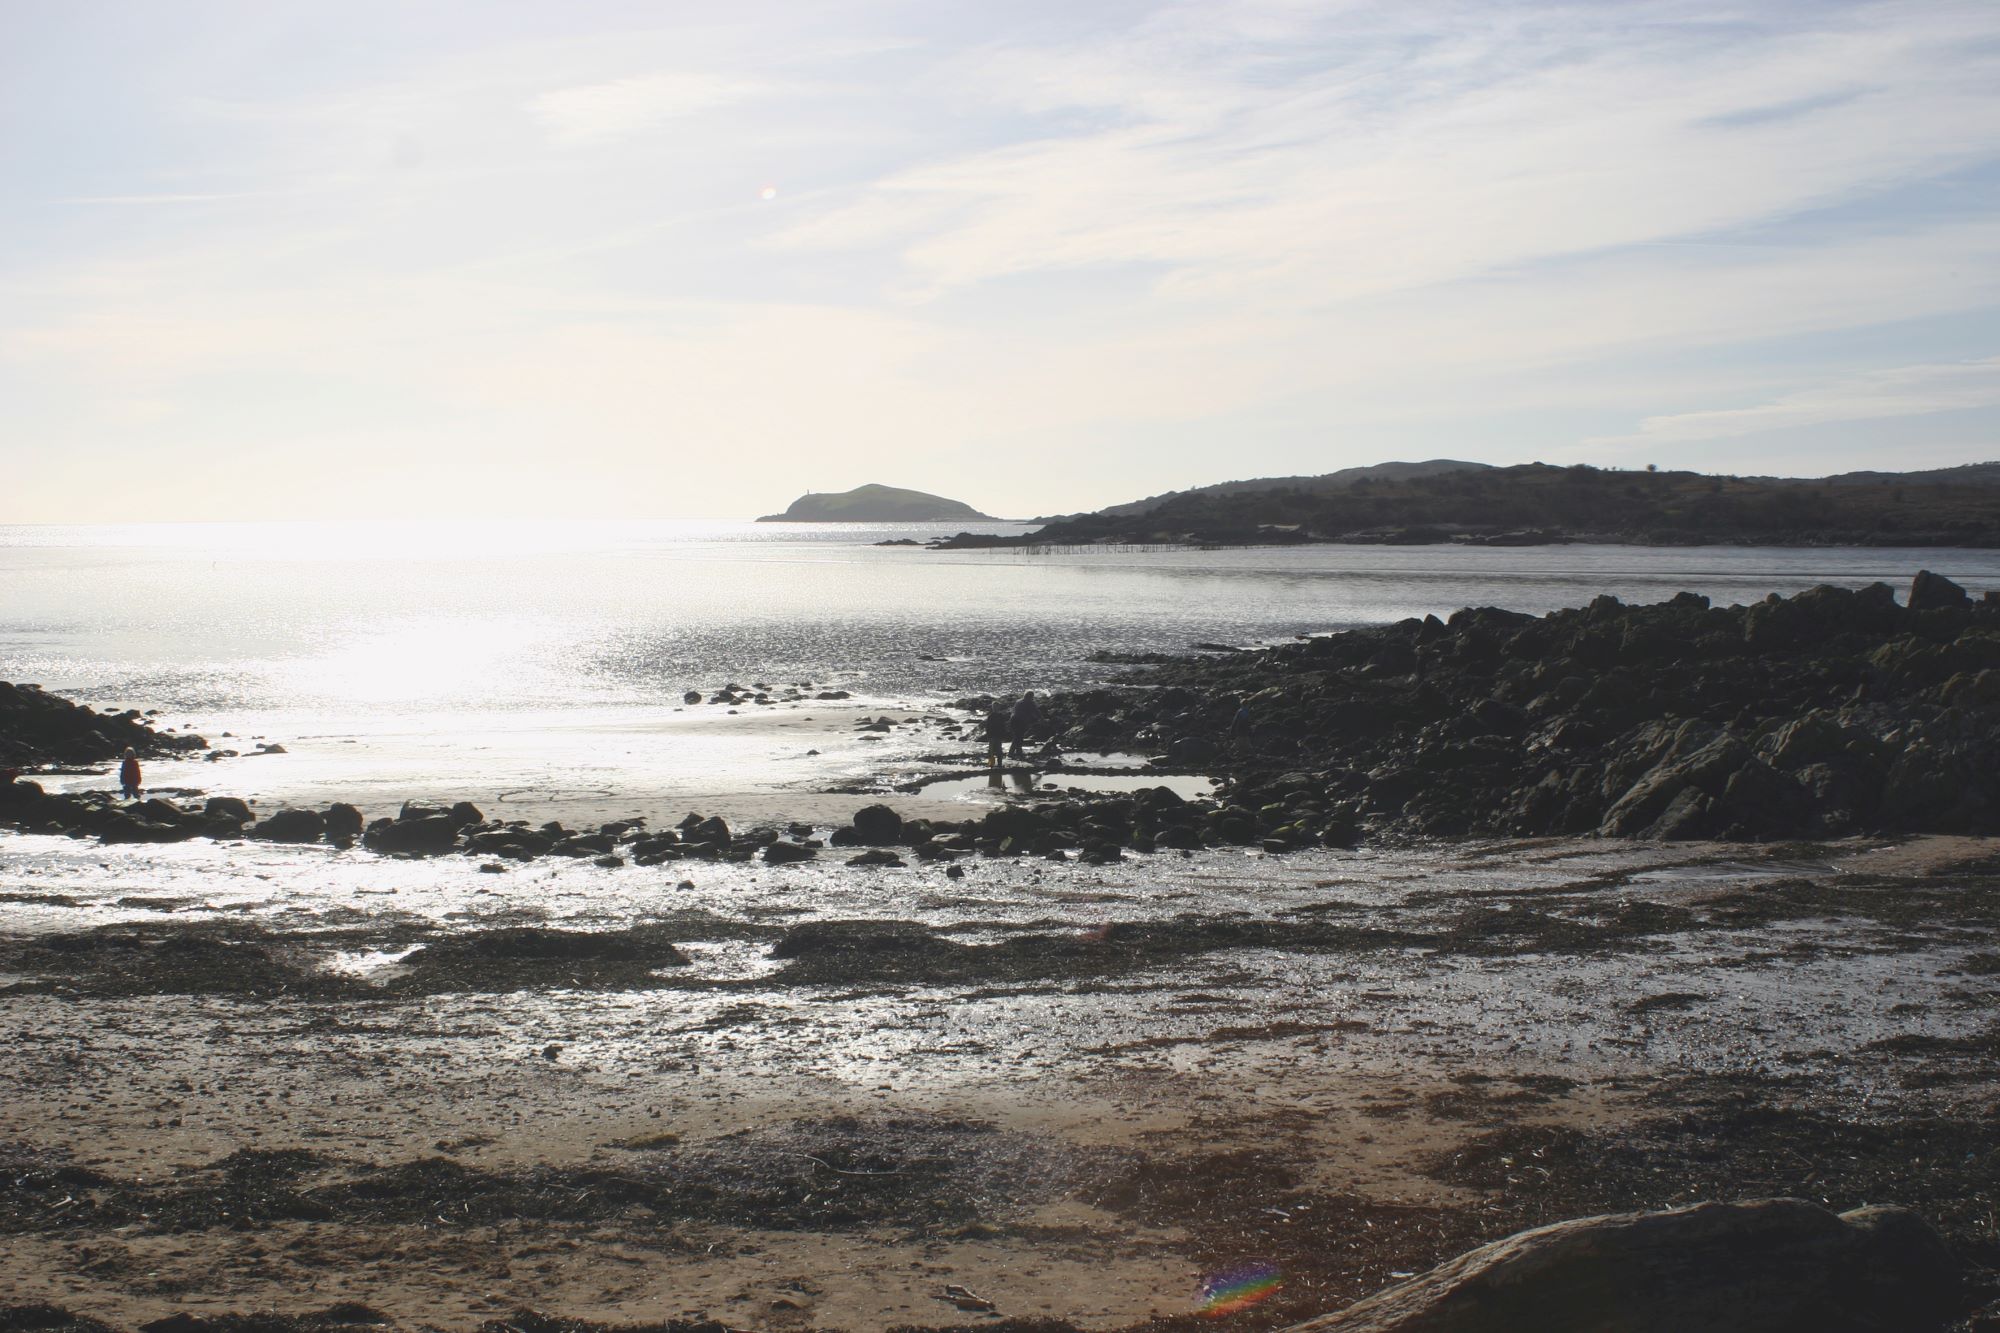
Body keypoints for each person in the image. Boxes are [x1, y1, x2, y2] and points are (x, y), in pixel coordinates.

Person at [1008, 691, 1040, 759]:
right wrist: (1042, 720)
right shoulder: (1030, 702)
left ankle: (1017, 752)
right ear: (1030, 696)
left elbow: (1013, 711)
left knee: (1017, 737)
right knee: (1018, 737)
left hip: (1013, 720)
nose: (1032, 698)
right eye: (1032, 697)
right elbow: (1037, 712)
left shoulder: (1018, 701)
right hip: (1020, 721)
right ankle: (1012, 753)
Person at [983, 703, 1010, 767]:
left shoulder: (1000, 716)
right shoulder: (991, 716)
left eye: (996, 707)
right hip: (992, 735)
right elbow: (987, 727)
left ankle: (999, 764)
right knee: (992, 751)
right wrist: (988, 735)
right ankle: (991, 764)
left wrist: (1004, 734)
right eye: (994, 707)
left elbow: (1003, 726)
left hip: (998, 735)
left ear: (999, 708)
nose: (995, 708)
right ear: (993, 708)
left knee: (998, 750)